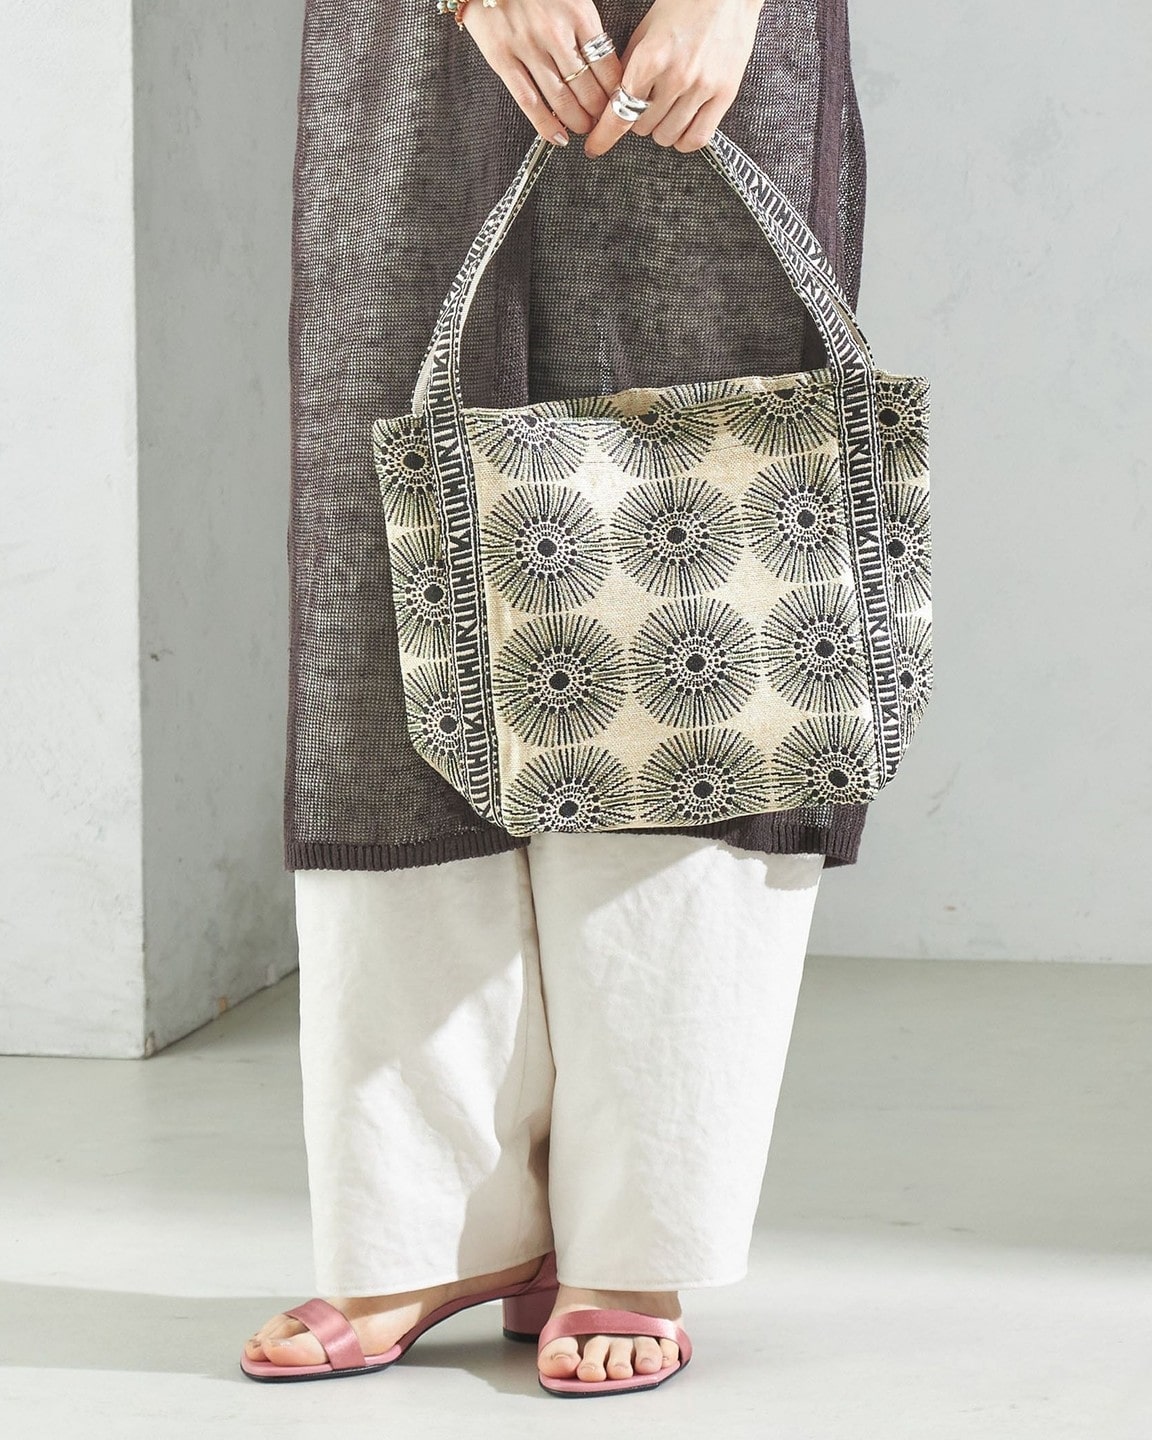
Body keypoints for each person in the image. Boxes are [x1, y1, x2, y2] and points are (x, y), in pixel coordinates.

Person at [243, 0, 868, 1398]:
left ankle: (636, 1228)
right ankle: (417, 1224)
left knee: (694, 591)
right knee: (393, 607)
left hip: (711, 34)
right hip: (417, 36)